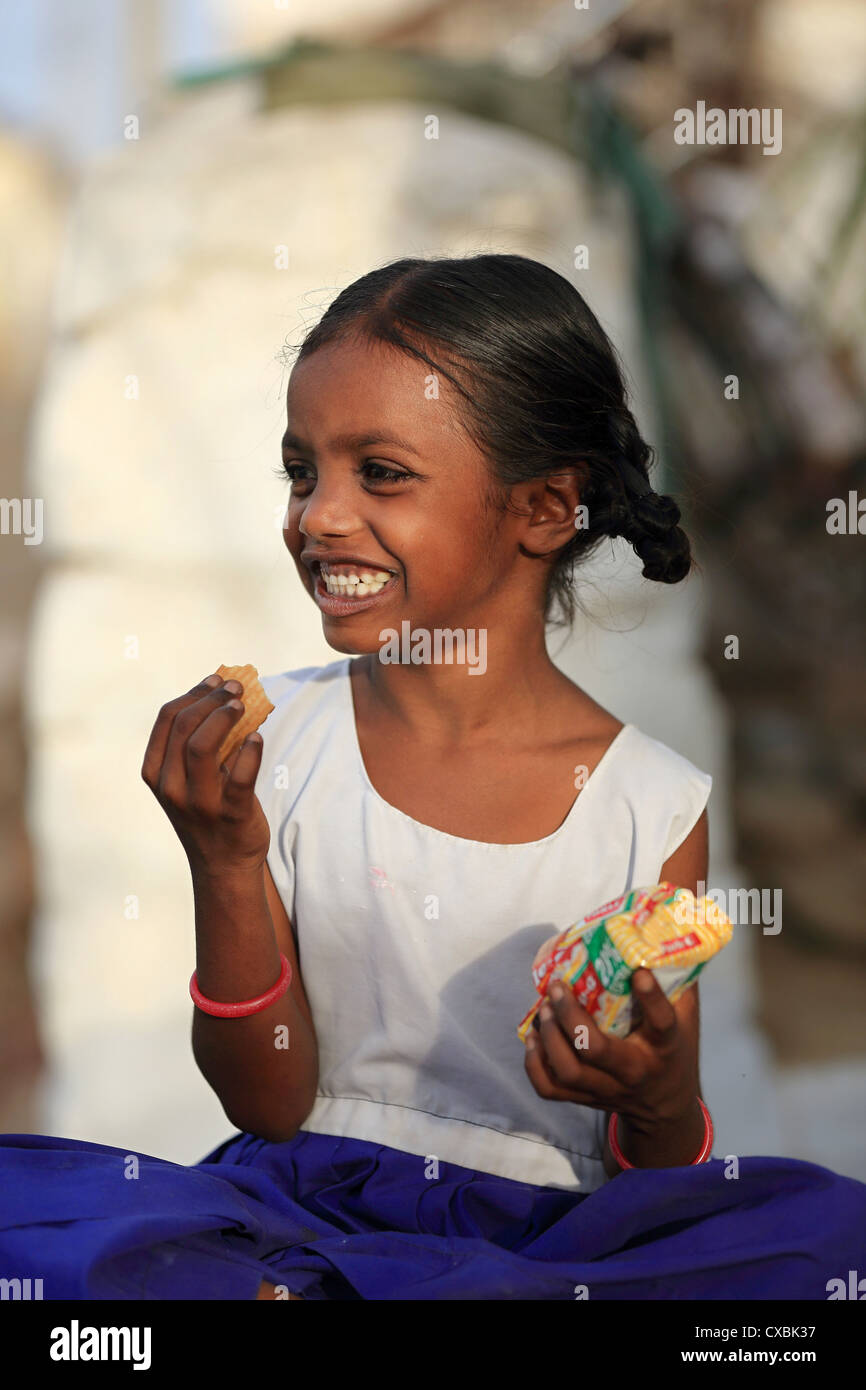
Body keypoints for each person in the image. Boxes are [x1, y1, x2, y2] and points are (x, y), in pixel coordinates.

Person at [1, 254, 863, 1300]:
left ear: (543, 508)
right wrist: (224, 859)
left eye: (380, 473)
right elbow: (266, 1104)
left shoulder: (647, 804)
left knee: (823, 1244)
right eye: (300, 470)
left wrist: (653, 1092)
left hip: (539, 1243)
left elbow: (657, 1181)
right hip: (298, 1215)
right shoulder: (278, 748)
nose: (317, 515)